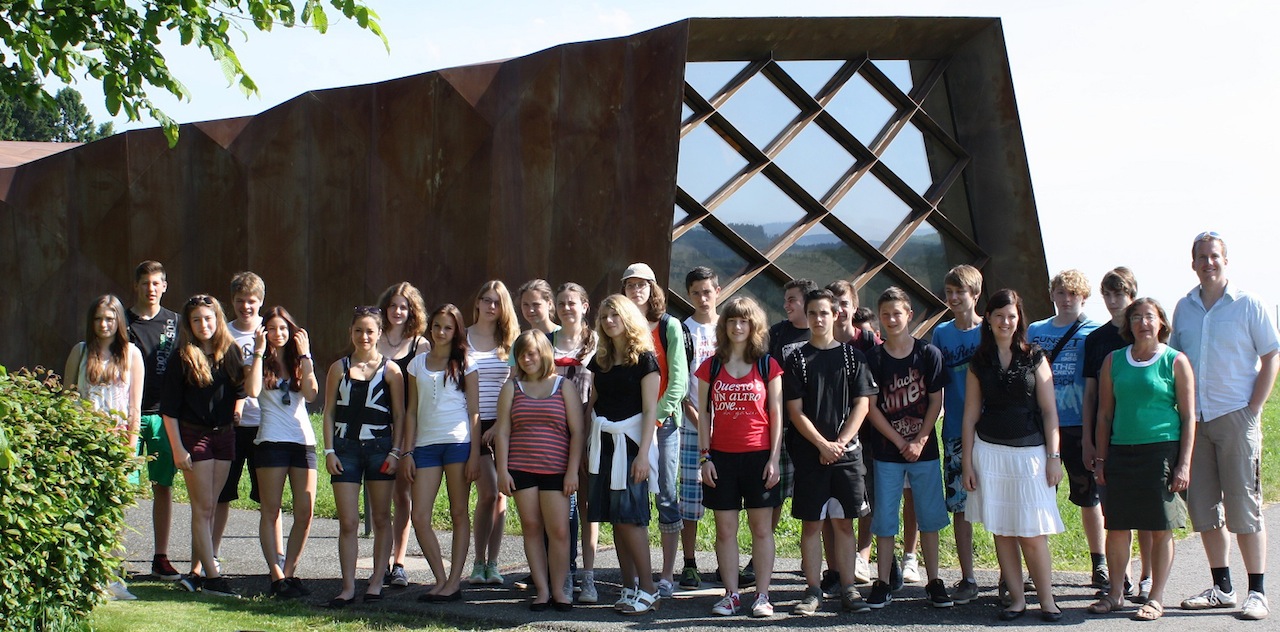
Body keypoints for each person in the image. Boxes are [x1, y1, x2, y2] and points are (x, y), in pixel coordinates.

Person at [1171, 231, 1279, 621]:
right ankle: (1222, 588)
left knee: (1244, 508)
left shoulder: (1249, 304)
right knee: (1205, 510)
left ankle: (1257, 592)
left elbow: (1271, 356)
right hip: (1196, 422)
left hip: (1236, 416)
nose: (1208, 262)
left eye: (1214, 256)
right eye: (1202, 257)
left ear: (1226, 260)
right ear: (1193, 263)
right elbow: (1176, 361)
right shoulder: (1184, 307)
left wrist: (1253, 409)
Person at [961, 289, 1064, 622]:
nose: (1006, 322)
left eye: (1011, 316)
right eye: (999, 316)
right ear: (989, 319)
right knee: (1003, 531)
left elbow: (1050, 411)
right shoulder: (979, 362)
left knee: (1032, 533)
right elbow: (970, 415)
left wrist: (1054, 455)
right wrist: (967, 463)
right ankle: (1016, 600)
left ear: (1019, 319)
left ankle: (1047, 601)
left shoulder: (1035, 357)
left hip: (1031, 455)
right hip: (990, 454)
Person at [1091, 298, 1195, 621]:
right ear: (1129, 325)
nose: (1143, 323)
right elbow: (1104, 414)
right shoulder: (1113, 361)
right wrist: (1100, 459)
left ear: (1161, 322)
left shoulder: (1175, 361)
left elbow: (1188, 416)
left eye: (1149, 317)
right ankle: (1115, 594)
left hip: (1161, 452)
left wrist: (1184, 463)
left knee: (1160, 528)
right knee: (1117, 527)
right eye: (1136, 317)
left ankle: (1156, 597)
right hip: (1121, 452)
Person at [783, 289, 878, 616]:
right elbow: (795, 411)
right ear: (807, 316)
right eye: (813, 313)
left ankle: (849, 587)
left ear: (836, 315)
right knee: (811, 525)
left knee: (843, 524)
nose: (818, 319)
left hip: (847, 457)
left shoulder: (854, 358)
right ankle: (813, 590)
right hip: (810, 456)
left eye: (824, 313)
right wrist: (822, 445)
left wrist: (839, 443)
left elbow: (862, 404)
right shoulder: (797, 359)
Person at [694, 296, 783, 618]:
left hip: (759, 456)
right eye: (732, 320)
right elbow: (704, 415)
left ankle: (762, 595)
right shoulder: (711, 366)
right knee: (725, 530)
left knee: (762, 530)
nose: (738, 326)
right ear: (724, 325)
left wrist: (774, 459)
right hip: (722, 458)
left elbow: (777, 414)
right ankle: (731, 595)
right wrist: (705, 458)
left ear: (754, 325)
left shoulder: (768, 365)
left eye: (744, 320)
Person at [863, 288, 952, 609]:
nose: (891, 320)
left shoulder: (928, 354)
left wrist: (920, 439)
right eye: (885, 314)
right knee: (885, 518)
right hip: (887, 451)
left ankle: (934, 580)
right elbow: (871, 407)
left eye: (897, 313)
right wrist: (901, 441)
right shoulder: (874, 358)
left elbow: (936, 401)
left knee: (929, 517)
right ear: (879, 317)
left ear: (909, 315)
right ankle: (883, 581)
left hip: (924, 451)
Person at [160, 294, 247, 598]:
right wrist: (177, 449)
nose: (203, 324)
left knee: (213, 504)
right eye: (196, 320)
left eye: (208, 318)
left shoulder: (231, 352)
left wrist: (237, 411)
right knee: (203, 507)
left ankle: (197, 573)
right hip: (194, 436)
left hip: (224, 436)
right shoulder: (182, 357)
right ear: (189, 324)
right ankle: (212, 577)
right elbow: (169, 411)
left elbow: (241, 391)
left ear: (218, 319)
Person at [63, 294, 145, 601]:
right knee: (82, 511)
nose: (104, 324)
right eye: (98, 318)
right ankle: (82, 577)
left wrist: (130, 450)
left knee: (113, 513)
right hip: (84, 443)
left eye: (110, 318)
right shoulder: (80, 351)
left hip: (117, 444)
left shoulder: (131, 354)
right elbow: (68, 399)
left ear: (119, 321)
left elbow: (134, 407)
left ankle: (111, 578)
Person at [1026, 270, 1104, 589]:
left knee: (1089, 497)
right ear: (1052, 295)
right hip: (1042, 425)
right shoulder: (1036, 330)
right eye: (1061, 292)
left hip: (1079, 425)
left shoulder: (1094, 331)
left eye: (1073, 294)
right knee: (1040, 498)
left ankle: (1099, 563)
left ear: (1084, 297)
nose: (1067, 299)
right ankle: (1037, 567)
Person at [496, 330, 584, 612]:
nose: (526, 359)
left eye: (532, 353)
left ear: (545, 353)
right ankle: (543, 590)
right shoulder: (512, 388)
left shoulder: (563, 386)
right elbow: (502, 432)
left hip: (556, 470)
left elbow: (577, 432)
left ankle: (560, 590)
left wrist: (572, 472)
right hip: (521, 469)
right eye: (521, 354)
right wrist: (502, 470)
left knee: (559, 531)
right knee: (532, 528)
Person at [321, 306, 404, 607]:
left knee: (381, 518)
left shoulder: (391, 370)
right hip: (345, 450)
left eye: (370, 331)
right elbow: (328, 412)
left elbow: (399, 414)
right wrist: (329, 450)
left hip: (381, 449)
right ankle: (347, 587)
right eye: (358, 330)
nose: (364, 336)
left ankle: (377, 581)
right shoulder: (338, 368)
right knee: (348, 521)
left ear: (379, 333)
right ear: (351, 332)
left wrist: (396, 451)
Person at [586, 295, 660, 615]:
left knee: (631, 519)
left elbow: (650, 411)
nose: (608, 321)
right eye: (604, 316)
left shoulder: (645, 360)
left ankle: (649, 589)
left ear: (628, 318)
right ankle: (629, 587)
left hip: (631, 446)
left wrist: (643, 456)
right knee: (616, 519)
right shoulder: (600, 360)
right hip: (603, 444)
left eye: (614, 315)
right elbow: (592, 401)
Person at [402, 304, 480, 603]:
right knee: (419, 515)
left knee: (459, 513)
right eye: (437, 326)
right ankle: (440, 579)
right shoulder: (416, 364)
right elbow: (411, 411)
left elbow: (474, 413)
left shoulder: (466, 363)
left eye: (448, 327)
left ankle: (454, 582)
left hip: (458, 444)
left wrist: (475, 455)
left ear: (456, 330)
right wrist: (407, 451)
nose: (441, 332)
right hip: (425, 446)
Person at [620, 263, 687, 598]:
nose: (636, 290)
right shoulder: (619, 325)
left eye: (642, 284)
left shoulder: (668, 326)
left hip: (663, 423)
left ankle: (667, 575)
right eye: (630, 285)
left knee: (666, 496)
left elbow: (679, 383)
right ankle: (635, 574)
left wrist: (656, 418)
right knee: (632, 497)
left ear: (653, 288)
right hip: (628, 424)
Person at [1082, 267, 1149, 600]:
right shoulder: (1095, 339)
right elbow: (1090, 395)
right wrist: (1087, 439)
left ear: (1131, 295)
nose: (1112, 301)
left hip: (1144, 434)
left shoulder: (1144, 334)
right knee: (1115, 515)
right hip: (1107, 436)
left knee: (1148, 515)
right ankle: (1119, 581)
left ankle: (1147, 577)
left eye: (1118, 294)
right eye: (1107, 294)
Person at [244, 306, 319, 599]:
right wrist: (258, 352)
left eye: (283, 328)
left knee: (305, 511)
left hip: (302, 442)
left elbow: (311, 394)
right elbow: (252, 391)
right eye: (272, 328)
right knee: (271, 510)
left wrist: (306, 355)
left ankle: (288, 572)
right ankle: (276, 576)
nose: (278, 333)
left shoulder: (300, 361)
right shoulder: (259, 360)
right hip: (271, 442)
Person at [125, 261, 182, 582]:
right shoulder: (121, 321)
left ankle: (161, 557)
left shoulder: (174, 322)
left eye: (156, 283)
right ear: (136, 285)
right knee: (123, 488)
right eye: (145, 282)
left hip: (163, 416)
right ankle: (112, 555)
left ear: (164, 286)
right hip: (128, 416)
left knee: (163, 486)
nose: (151, 288)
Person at [929, 264, 983, 604]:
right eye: (949, 292)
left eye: (959, 292)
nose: (953, 298)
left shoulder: (988, 330)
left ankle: (1007, 577)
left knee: (995, 504)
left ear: (975, 294)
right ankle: (968, 576)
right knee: (961, 506)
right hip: (954, 431)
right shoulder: (941, 334)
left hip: (989, 431)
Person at [214, 272, 273, 577]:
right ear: (232, 301)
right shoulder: (223, 334)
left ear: (260, 301)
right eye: (240, 301)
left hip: (265, 424)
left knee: (268, 499)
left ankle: (275, 559)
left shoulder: (271, 332)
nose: (245, 307)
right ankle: (211, 554)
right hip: (232, 426)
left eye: (251, 301)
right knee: (222, 494)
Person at [377, 282, 430, 588]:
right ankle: (380, 561)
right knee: (379, 498)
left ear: (412, 311)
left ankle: (398, 562)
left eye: (404, 307)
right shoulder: (373, 338)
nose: (397, 311)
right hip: (375, 429)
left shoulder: (420, 345)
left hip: (407, 430)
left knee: (402, 496)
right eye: (393, 306)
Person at [466, 282, 518, 586]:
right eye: (486, 300)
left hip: (504, 425)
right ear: (477, 302)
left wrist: (501, 424)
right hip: (473, 424)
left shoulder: (510, 341)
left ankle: (493, 563)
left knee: (501, 496)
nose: (491, 306)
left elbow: (516, 384)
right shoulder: (463, 338)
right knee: (487, 493)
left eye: (497, 302)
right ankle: (478, 561)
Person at [554, 282, 600, 603]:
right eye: (561, 303)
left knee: (586, 506)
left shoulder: (597, 342)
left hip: (588, 431)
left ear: (585, 306)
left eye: (572, 302)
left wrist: (585, 437)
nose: (566, 308)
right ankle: (563, 574)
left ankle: (589, 576)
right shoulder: (547, 341)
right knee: (559, 507)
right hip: (552, 435)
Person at [679, 266, 719, 590]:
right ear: (689, 295)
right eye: (696, 293)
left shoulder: (729, 326)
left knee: (726, 499)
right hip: (692, 426)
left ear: (717, 291)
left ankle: (725, 562)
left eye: (707, 292)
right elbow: (680, 386)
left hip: (730, 428)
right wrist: (701, 423)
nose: (703, 298)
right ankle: (689, 562)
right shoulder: (683, 331)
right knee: (690, 497)